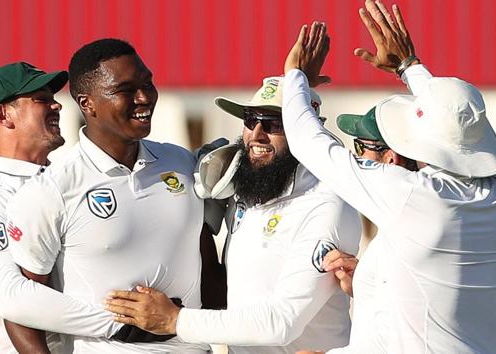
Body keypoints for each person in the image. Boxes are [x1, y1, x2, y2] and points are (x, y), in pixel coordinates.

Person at [284, 1, 496, 353]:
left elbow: (308, 142)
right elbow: (454, 120)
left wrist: (294, 77)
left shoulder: (413, 196)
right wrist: (408, 66)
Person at [103, 76, 362, 354]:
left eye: (274, 123)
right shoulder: (244, 184)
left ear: (306, 131)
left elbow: (283, 322)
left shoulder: (326, 204)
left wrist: (174, 320)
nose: (257, 134)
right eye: (251, 120)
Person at [5, 38, 214, 353]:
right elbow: (21, 310)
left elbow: (209, 268)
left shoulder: (182, 163)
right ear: (86, 103)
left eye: (148, 83)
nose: (143, 98)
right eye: (125, 90)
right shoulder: (51, 191)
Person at [0, 62, 124, 354]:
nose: (57, 106)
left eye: (53, 99)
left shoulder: (71, 182)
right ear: (2, 115)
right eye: (41, 100)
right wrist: (126, 324)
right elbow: (15, 296)